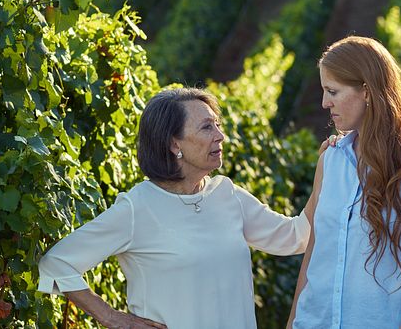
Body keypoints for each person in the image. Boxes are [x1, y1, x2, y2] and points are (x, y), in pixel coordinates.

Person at [38, 87, 310, 329]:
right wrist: (113, 318)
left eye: (217, 124)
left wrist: (326, 174)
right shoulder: (137, 208)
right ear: (173, 144)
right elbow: (58, 263)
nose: (221, 135)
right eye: (207, 127)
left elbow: (296, 237)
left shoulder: (227, 194)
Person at [288, 36, 401, 328]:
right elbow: (316, 248)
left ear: (366, 91)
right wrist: (293, 322)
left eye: (333, 91)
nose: (324, 103)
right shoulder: (331, 158)